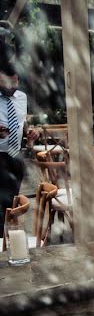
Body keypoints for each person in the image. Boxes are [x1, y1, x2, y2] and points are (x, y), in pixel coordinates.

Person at [0, 58, 36, 235]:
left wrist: (30, 132)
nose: (11, 86)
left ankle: (6, 242)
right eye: (6, 82)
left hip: (16, 157)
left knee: (10, 204)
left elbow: (22, 122)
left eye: (14, 82)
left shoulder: (22, 97)